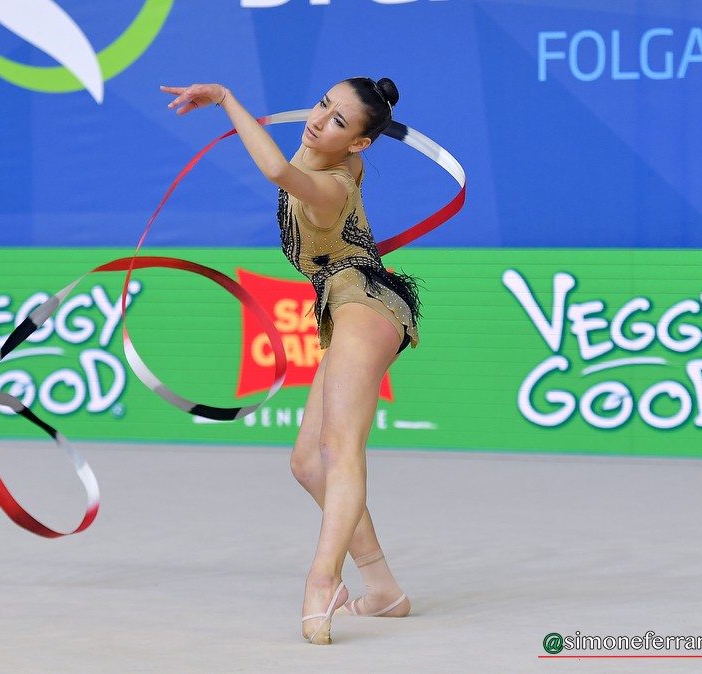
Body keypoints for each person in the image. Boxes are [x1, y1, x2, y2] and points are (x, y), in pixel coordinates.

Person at [162, 77, 418, 645]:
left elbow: (278, 171)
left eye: (338, 121)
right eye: (323, 104)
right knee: (306, 463)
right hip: (345, 308)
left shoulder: (330, 184)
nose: (319, 120)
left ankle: (322, 583)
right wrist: (328, 122)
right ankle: (383, 589)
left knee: (338, 450)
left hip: (366, 305)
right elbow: (297, 153)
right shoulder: (326, 151)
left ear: (359, 144)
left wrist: (226, 99)